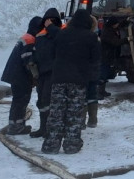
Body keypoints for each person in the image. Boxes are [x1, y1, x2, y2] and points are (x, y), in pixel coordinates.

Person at [41, 9, 100, 155]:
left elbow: (53, 37)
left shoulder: (62, 34)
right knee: (74, 114)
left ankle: (51, 145)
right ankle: (72, 145)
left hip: (59, 79)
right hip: (78, 81)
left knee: (56, 113)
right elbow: (96, 60)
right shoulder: (91, 37)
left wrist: (48, 25)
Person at [1, 16, 43, 134]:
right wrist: (35, 76)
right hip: (20, 76)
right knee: (21, 100)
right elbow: (29, 62)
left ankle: (15, 124)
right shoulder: (31, 40)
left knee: (18, 100)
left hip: (15, 73)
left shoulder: (26, 37)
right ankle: (16, 127)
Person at [29, 7, 62, 138]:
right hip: (41, 73)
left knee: (49, 101)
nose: (50, 22)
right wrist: (32, 65)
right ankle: (43, 127)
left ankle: (51, 128)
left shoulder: (61, 32)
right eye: (48, 20)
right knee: (42, 101)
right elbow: (35, 51)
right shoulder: (39, 35)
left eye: (53, 20)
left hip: (54, 73)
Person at [98, 16, 126, 98]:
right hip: (104, 55)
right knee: (102, 73)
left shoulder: (110, 29)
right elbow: (115, 42)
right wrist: (126, 40)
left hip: (108, 55)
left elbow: (120, 25)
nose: (117, 25)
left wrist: (125, 21)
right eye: (116, 24)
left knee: (105, 73)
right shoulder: (107, 32)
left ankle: (102, 91)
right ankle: (99, 92)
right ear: (113, 24)